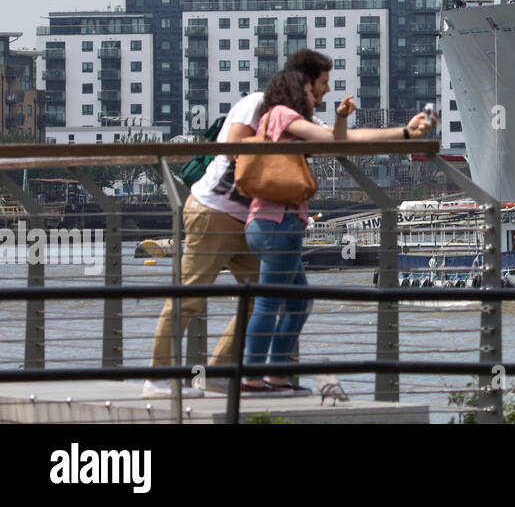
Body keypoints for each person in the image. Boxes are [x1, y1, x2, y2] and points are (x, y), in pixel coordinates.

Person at [142, 49, 335, 399]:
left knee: (261, 298)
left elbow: (335, 139)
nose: (326, 90)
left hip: (251, 222)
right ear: (306, 81)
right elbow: (232, 147)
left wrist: (404, 133)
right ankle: (158, 379)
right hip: (214, 211)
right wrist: (277, 136)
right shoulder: (259, 104)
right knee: (189, 296)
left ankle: (217, 373)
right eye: (323, 82)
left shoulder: (297, 117)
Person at [241, 70, 432, 392]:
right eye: (317, 86)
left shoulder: (274, 122)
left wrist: (400, 133)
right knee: (269, 302)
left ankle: (272, 375)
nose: (322, 92)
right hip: (278, 223)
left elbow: (342, 139)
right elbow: (334, 137)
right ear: (298, 89)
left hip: (268, 222)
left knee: (297, 304)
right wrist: (401, 132)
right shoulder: (284, 115)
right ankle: (253, 378)